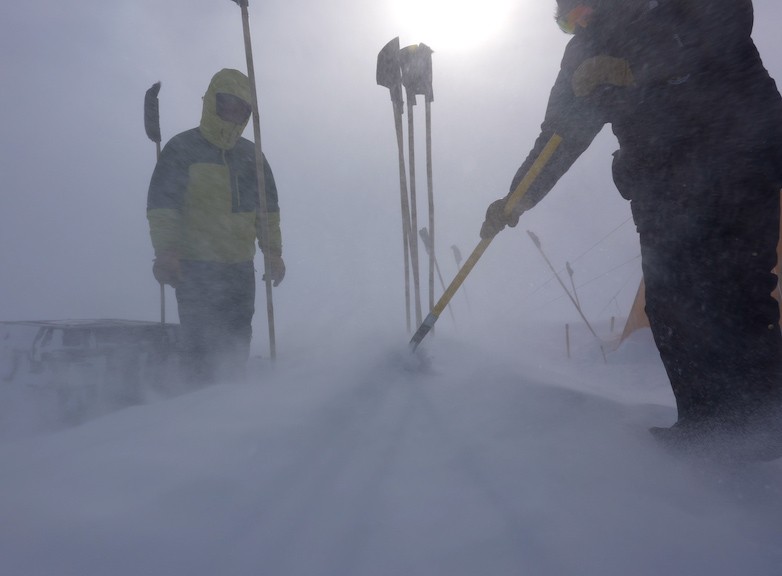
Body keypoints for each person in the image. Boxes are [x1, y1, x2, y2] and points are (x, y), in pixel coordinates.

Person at [481, 0, 782, 460]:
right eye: (568, 22)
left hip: (737, 161)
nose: (581, 25)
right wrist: (516, 198)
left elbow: (726, 22)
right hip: (664, 192)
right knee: (671, 306)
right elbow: (559, 137)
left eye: (582, 11)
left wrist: (634, 67)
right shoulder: (582, 56)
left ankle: (765, 424)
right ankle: (707, 428)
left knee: (735, 290)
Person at [147, 68, 285, 384]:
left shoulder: (252, 157)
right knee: (198, 348)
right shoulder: (183, 149)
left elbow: (268, 212)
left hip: (239, 269)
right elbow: (163, 208)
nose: (234, 112)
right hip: (195, 269)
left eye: (242, 107)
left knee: (236, 346)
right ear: (212, 103)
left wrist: (273, 253)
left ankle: (230, 412)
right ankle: (191, 412)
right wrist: (166, 251)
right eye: (227, 103)